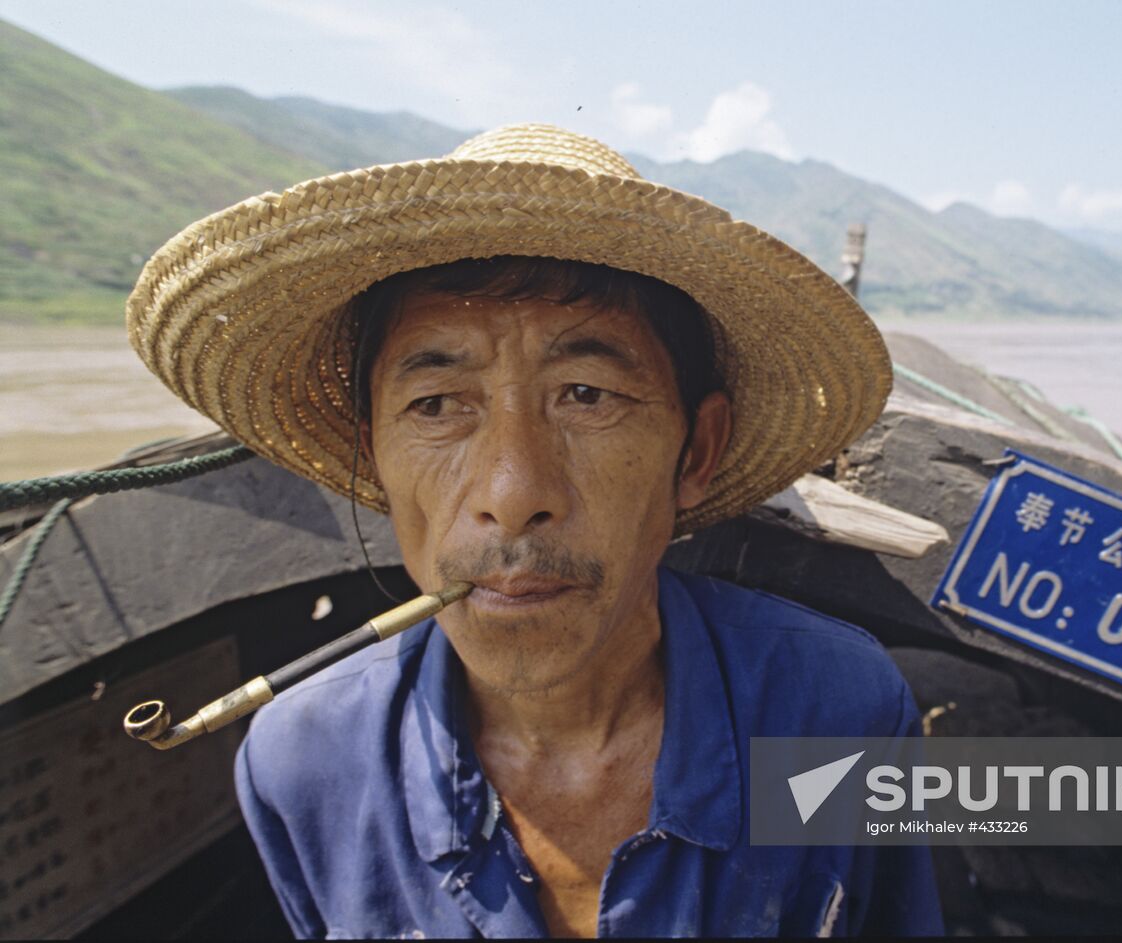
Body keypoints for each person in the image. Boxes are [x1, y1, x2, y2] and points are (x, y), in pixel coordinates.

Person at [126, 124, 942, 938]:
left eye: (586, 394)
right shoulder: (305, 763)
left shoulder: (833, 712)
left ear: (696, 449)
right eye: (437, 404)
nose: (513, 495)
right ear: (373, 459)